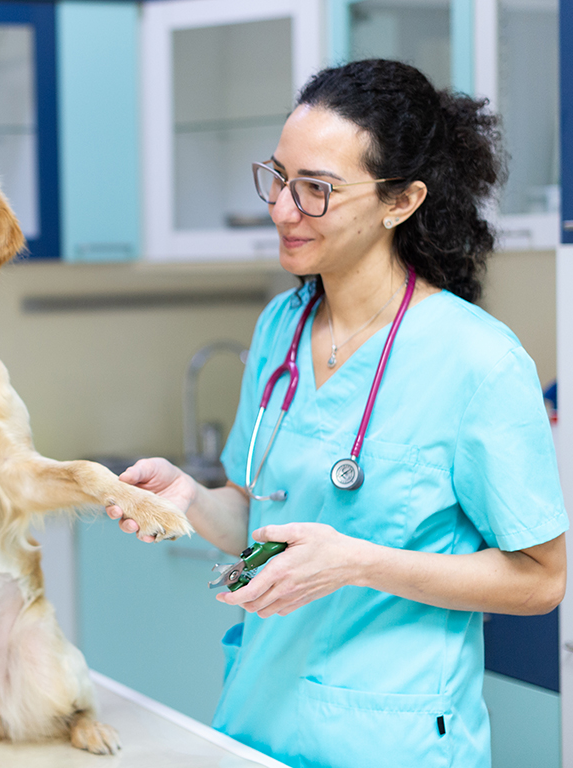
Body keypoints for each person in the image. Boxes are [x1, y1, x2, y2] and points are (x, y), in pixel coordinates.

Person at [108, 59, 567, 768]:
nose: (284, 210)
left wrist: (356, 564)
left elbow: (541, 579)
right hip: (255, 725)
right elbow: (258, 521)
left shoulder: (476, 360)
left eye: (317, 190)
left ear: (401, 201)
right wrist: (191, 499)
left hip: (393, 740)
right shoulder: (280, 328)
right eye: (280, 178)